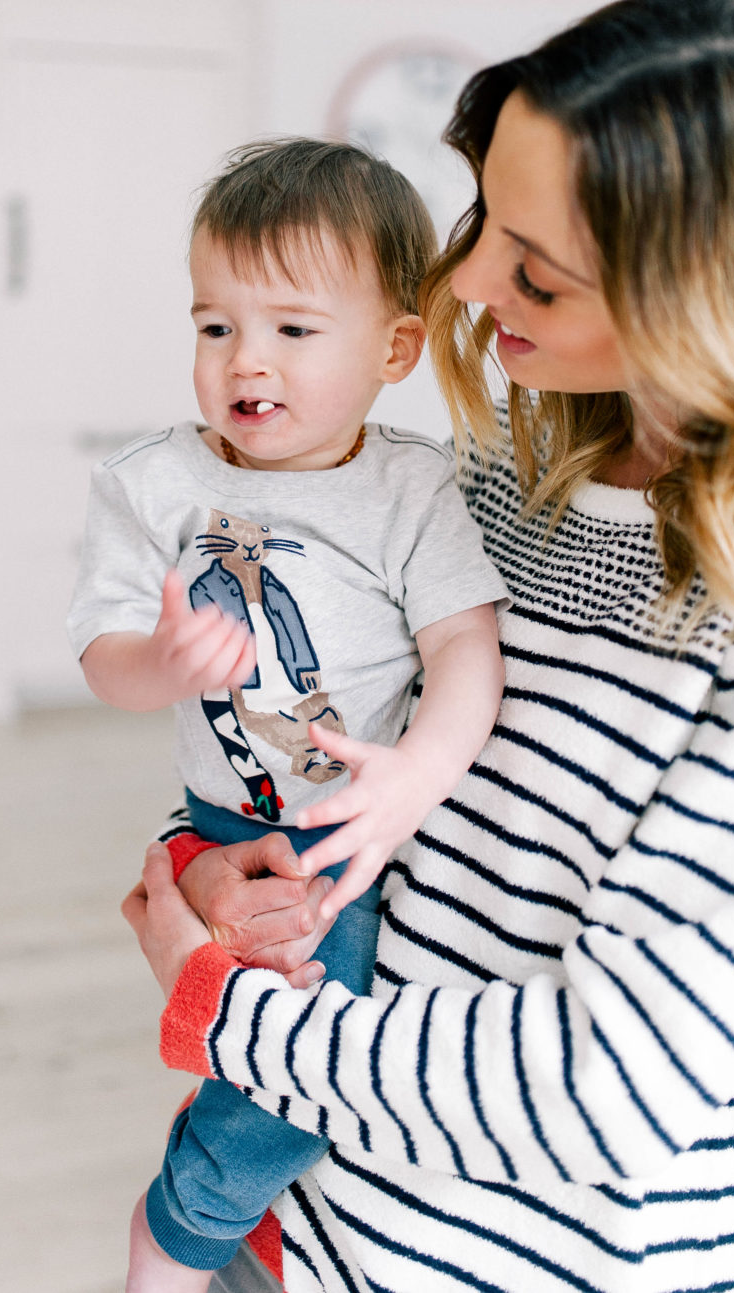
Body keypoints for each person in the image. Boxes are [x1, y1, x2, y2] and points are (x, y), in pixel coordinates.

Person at [122, 0, 734, 1293]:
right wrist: (214, 867)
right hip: (302, 1223)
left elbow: (606, 1089)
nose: (462, 278)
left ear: (708, 303)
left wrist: (225, 1010)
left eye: (537, 268)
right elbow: (307, 763)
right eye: (485, 215)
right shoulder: (489, 488)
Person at [67, 138, 509, 1290]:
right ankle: (196, 1229)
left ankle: (188, 1218)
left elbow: (464, 646)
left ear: (394, 349)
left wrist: (412, 777)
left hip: (348, 828)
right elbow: (103, 661)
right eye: (215, 326)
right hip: (216, 819)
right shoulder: (152, 482)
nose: (242, 361)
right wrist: (158, 662)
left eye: (292, 330)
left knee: (304, 1065)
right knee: (259, 1041)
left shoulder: (410, 488)